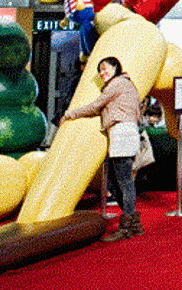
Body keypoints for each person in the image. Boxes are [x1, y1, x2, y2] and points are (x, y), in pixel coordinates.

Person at [61, 55, 144, 241]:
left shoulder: (118, 84)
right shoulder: (126, 84)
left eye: (105, 68)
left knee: (123, 182)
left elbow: (96, 105)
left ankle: (127, 225)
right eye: (100, 70)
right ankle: (133, 222)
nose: (102, 72)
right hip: (123, 132)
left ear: (116, 67)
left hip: (122, 132)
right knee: (119, 181)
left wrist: (70, 113)